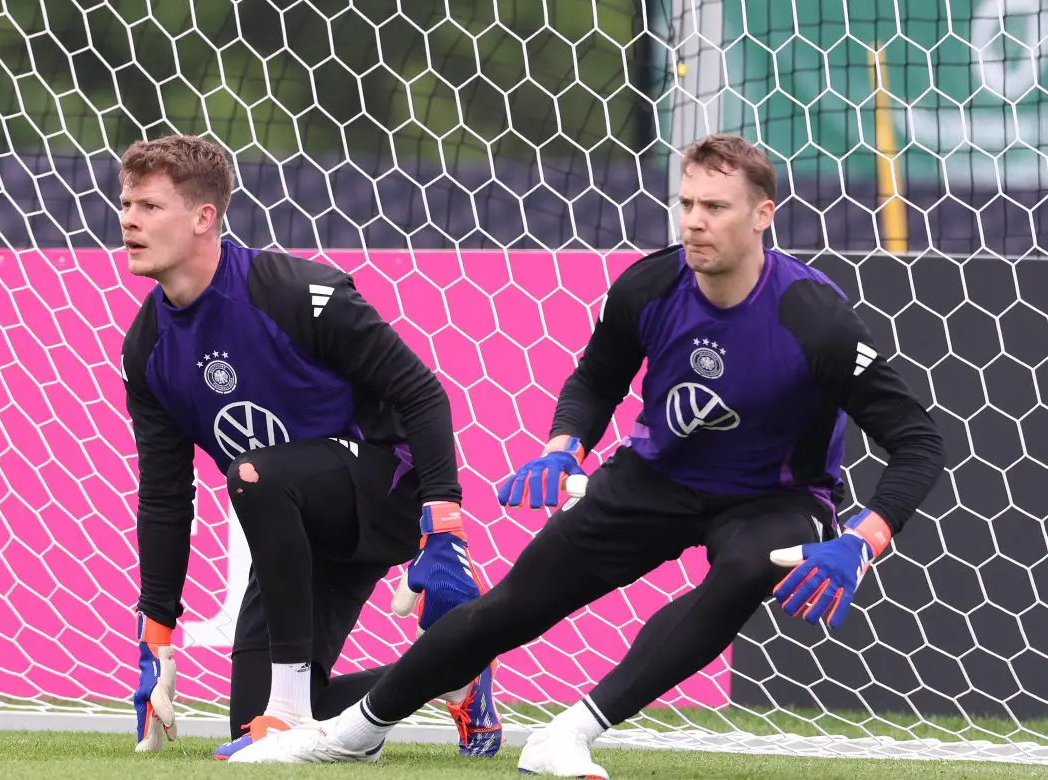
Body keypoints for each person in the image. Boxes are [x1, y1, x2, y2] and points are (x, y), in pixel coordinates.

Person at [228, 133, 946, 774]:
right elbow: (597, 379)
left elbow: (916, 440)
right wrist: (565, 445)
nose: (695, 221)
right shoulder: (649, 284)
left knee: (746, 571)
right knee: (514, 605)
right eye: (688, 203)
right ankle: (352, 732)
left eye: (717, 207)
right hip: (654, 476)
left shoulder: (814, 319)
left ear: (763, 215)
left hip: (774, 497)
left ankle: (569, 733)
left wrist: (862, 539)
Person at [118, 134, 501, 760]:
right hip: (290, 526)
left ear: (203, 218)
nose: (130, 220)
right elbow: (164, 495)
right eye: (127, 204)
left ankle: (289, 706)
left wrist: (444, 526)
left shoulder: (296, 293)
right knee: (249, 721)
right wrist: (156, 631)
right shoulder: (147, 351)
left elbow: (422, 393)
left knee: (254, 476)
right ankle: (453, 674)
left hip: (382, 483)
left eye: (150, 206)